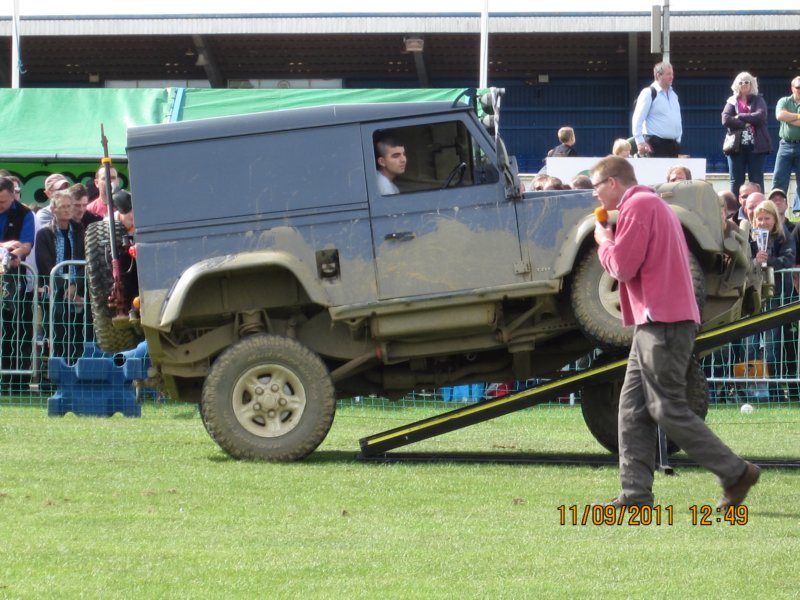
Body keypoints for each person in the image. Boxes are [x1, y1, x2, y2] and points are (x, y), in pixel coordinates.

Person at [589, 155, 759, 509]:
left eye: (596, 186)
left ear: (614, 183)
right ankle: (635, 494)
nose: (594, 195)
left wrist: (604, 241)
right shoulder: (653, 204)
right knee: (632, 409)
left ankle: (735, 472)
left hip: (661, 321)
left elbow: (621, 266)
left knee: (665, 407)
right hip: (660, 320)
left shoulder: (638, 206)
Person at [35, 189, 86, 364]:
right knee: (57, 327)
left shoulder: (80, 231)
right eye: (62, 206)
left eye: (69, 206)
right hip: (54, 289)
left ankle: (78, 367)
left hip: (78, 289)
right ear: (54, 209)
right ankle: (56, 370)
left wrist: (75, 285)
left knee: (80, 328)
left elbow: (85, 263)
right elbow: (45, 265)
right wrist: (65, 287)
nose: (67, 210)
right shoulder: (44, 234)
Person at [750, 199, 795, 388]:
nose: (762, 222)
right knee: (749, 343)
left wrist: (770, 260)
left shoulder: (784, 237)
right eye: (759, 219)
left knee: (772, 343)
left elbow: (788, 260)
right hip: (751, 295)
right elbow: (742, 263)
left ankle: (774, 386)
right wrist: (755, 261)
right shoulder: (748, 237)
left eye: (767, 218)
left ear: (774, 219)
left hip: (777, 295)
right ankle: (749, 388)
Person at [0, 176, 36, 393]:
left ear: (13, 195)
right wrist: (4, 246)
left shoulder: (24, 214)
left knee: (17, 329)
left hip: (14, 280)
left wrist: (17, 253)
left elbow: (26, 245)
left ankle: (17, 382)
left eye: (2, 202)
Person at [721, 72, 772, 196]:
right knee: (736, 180)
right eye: (740, 82)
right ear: (736, 85)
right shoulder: (732, 101)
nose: (743, 84)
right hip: (736, 147)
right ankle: (735, 214)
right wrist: (745, 124)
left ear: (751, 84)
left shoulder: (758, 99)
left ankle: (758, 209)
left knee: (756, 180)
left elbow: (760, 117)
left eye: (746, 82)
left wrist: (740, 116)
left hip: (757, 147)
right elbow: (725, 119)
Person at [632, 62, 682, 158]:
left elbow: (678, 119)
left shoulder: (674, 95)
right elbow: (637, 119)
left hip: (673, 146)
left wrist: (678, 140)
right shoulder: (649, 93)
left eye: (672, 74)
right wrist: (640, 142)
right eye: (668, 74)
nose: (672, 77)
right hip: (655, 145)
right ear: (658, 76)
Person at [773, 76, 800, 213]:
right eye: (798, 87)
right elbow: (779, 116)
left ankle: (798, 211)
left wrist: (789, 118)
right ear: (792, 88)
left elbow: (785, 117)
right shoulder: (784, 100)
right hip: (785, 145)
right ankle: (776, 210)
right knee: (779, 178)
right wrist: (798, 116)